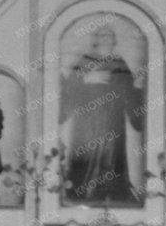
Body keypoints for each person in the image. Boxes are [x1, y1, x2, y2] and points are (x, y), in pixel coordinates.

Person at [61, 24, 144, 204]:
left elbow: (129, 93)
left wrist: (137, 86)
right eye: (102, 34)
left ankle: (111, 195)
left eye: (109, 34)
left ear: (114, 41)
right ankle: (82, 193)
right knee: (87, 154)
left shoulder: (120, 63)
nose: (106, 37)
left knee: (112, 156)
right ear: (96, 40)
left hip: (113, 123)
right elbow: (68, 90)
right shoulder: (84, 61)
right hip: (88, 122)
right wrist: (85, 79)